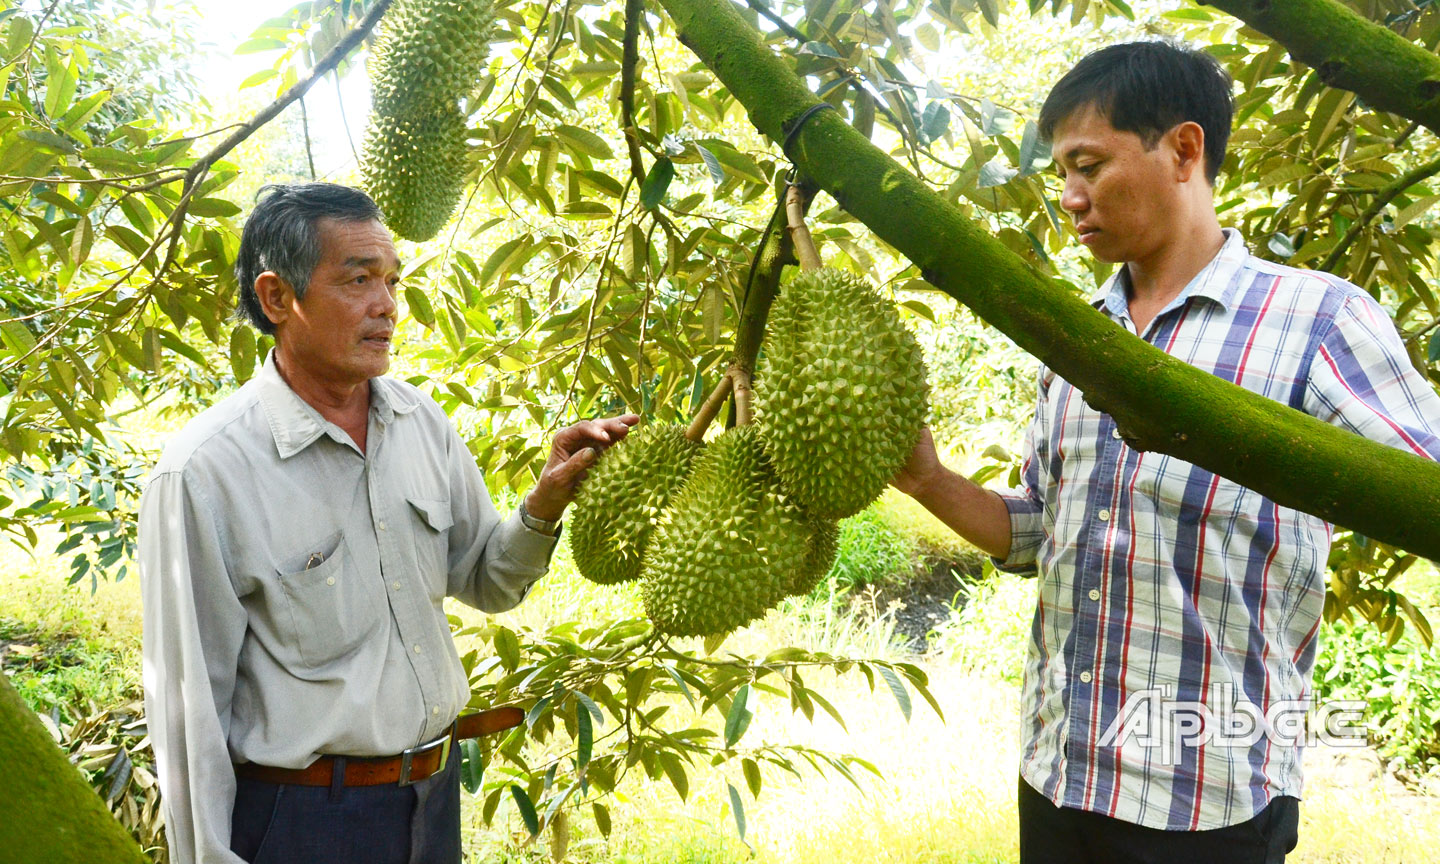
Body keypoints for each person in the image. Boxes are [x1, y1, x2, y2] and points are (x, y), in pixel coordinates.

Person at [893, 41, 1440, 864]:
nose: (1071, 200)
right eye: (1062, 177)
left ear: (1184, 150)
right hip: (1058, 777)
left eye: (1089, 166)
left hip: (1210, 798)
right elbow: (1041, 529)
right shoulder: (1075, 339)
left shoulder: (1320, 323)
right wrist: (928, 480)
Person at [138, 182, 638, 864]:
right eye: (359, 280)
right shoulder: (204, 472)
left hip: (429, 803)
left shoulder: (417, 422)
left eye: (393, 281)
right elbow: (188, 712)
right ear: (278, 297)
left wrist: (546, 499)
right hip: (299, 820)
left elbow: (487, 579)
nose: (387, 306)